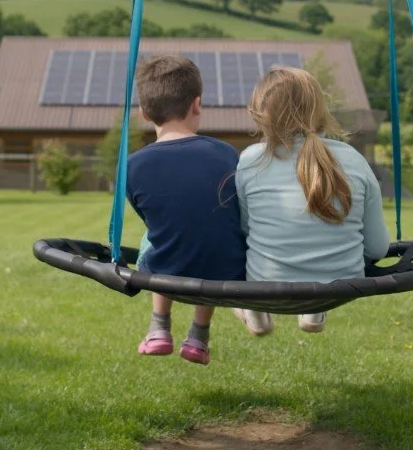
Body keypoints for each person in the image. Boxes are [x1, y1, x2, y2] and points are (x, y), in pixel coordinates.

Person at [233, 66, 391, 337]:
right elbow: (377, 249)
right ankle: (314, 309)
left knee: (236, 257)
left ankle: (254, 312)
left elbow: (248, 230)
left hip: (266, 281)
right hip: (342, 283)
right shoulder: (353, 159)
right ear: (319, 109)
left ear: (260, 114)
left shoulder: (251, 160)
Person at [127, 55, 246, 365]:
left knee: (158, 233)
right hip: (224, 270)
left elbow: (151, 218)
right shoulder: (225, 153)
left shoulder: (132, 166)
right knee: (208, 233)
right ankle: (198, 335)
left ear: (143, 112)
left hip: (166, 270)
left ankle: (159, 327)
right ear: (197, 104)